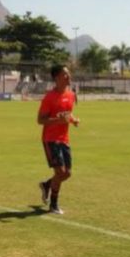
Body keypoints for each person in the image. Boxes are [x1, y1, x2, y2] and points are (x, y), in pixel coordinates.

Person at [38, 65, 80, 215]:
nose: (69, 77)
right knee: (60, 171)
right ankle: (53, 204)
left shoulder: (71, 95)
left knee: (67, 174)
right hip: (50, 138)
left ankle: (47, 185)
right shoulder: (49, 97)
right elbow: (40, 120)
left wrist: (73, 120)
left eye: (69, 74)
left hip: (64, 138)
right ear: (56, 78)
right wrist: (57, 120)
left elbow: (67, 115)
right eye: (65, 75)